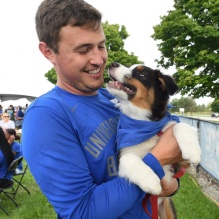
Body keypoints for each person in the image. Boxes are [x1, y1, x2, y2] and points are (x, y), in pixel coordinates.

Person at [22, 1, 183, 218]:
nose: (99, 59)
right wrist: (157, 160)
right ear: (49, 51)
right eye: (83, 49)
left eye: (101, 45)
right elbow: (82, 211)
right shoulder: (46, 117)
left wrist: (173, 182)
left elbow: (166, 134)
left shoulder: (114, 97)